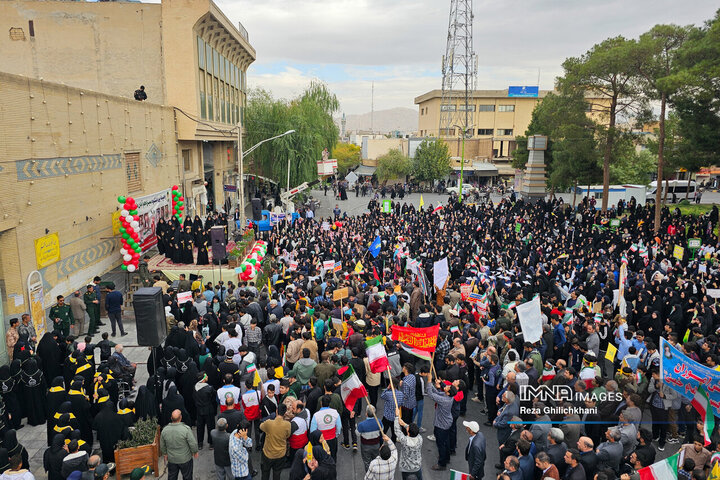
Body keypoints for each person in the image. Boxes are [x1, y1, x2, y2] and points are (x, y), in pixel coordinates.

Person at [160, 409, 199, 480]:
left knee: (172, 477)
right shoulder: (186, 429)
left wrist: (165, 454)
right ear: (180, 417)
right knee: (187, 476)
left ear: (171, 418)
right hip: (185, 459)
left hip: (172, 459)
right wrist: (195, 451)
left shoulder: (165, 430)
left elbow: (162, 445)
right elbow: (192, 443)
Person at [259, 403, 291, 480]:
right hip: (280, 454)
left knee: (265, 473)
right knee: (277, 473)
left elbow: (261, 427)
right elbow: (288, 435)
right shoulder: (288, 424)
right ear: (285, 412)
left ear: (276, 411)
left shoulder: (269, 423)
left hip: (268, 453)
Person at [394, 409, 422, 480]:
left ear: (408, 433)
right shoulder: (420, 438)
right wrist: (404, 424)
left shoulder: (404, 441)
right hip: (417, 467)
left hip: (406, 468)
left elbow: (397, 430)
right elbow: (411, 430)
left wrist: (397, 416)